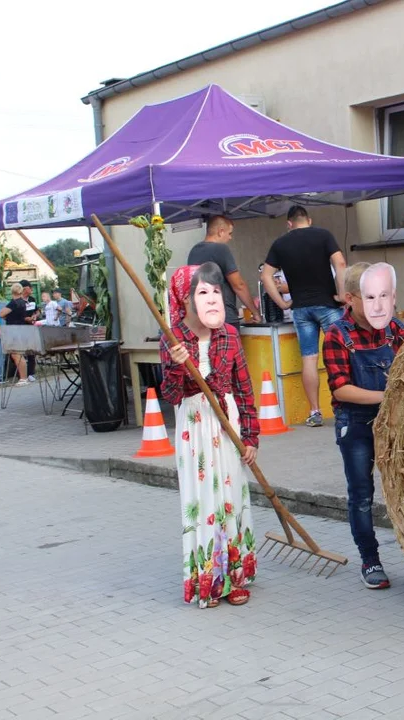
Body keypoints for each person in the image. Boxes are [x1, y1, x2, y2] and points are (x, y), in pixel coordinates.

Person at [160, 262, 259, 609]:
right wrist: (175, 363)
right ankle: (209, 578)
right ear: (185, 300)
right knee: (203, 501)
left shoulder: (230, 334)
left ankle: (235, 575)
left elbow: (244, 388)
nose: (212, 298)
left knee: (231, 494)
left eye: (216, 291)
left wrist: (250, 437)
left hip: (225, 421)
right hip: (195, 427)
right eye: (202, 292)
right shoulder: (172, 337)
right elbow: (170, 396)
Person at [322, 262, 404, 589]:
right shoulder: (336, 335)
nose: (379, 305)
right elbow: (341, 388)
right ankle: (370, 560)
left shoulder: (396, 330)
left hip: (393, 422)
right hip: (355, 424)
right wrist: (386, 396)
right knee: (361, 495)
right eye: (370, 296)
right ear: (350, 299)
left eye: (384, 296)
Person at [263, 205, 348, 428]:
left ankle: (315, 412)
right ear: (308, 220)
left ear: (289, 223)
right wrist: (341, 293)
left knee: (309, 359)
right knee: (339, 357)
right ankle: (344, 408)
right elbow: (340, 263)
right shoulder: (323, 235)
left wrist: (282, 302)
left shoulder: (280, 243)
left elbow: (266, 275)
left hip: (301, 309)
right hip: (329, 305)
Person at [186, 215, 263, 333]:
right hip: (224, 316)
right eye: (229, 233)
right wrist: (255, 312)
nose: (230, 238)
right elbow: (239, 285)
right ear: (221, 231)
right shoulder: (220, 249)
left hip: (201, 317)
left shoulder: (194, 251)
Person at [0, 282, 32, 385]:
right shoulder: (23, 302)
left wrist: (6, 317)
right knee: (18, 354)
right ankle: (24, 377)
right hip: (20, 328)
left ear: (12, 291)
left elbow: (1, 314)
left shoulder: (13, 303)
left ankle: (23, 378)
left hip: (13, 330)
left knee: (16, 354)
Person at [20, 280, 38, 380]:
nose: (31, 290)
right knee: (21, 352)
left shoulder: (32, 299)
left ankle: (31, 373)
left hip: (31, 327)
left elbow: (36, 310)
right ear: (24, 289)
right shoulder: (18, 301)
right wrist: (26, 319)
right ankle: (22, 374)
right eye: (30, 288)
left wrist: (35, 315)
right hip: (21, 328)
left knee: (31, 351)